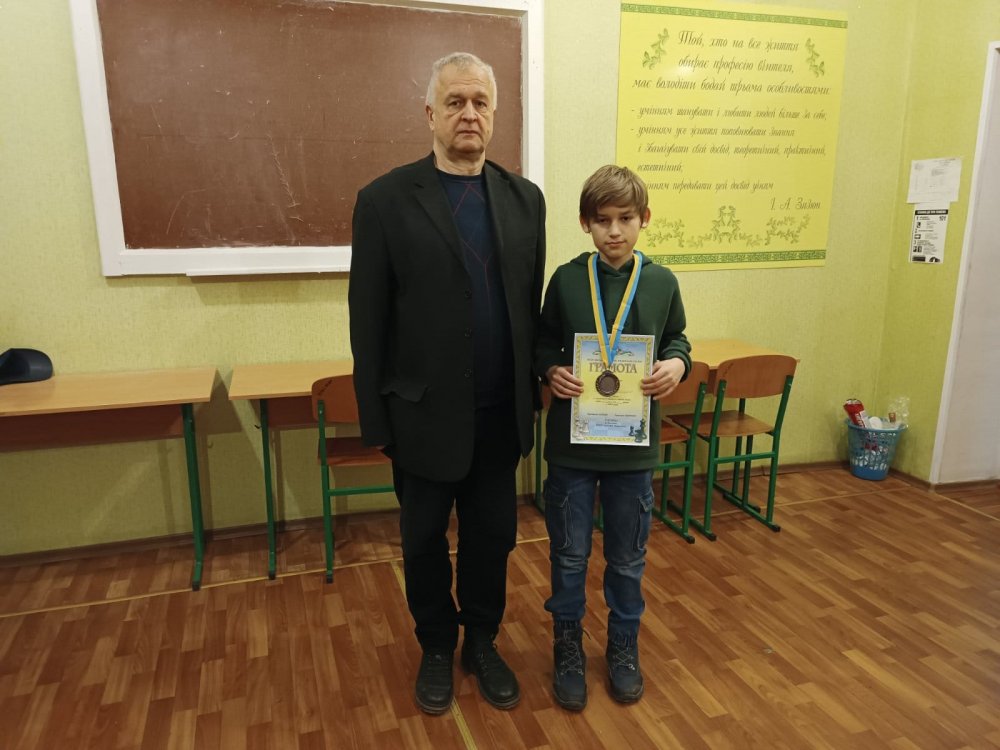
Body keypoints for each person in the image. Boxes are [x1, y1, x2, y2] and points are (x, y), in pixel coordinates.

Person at [348, 52, 546, 715]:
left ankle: (481, 641)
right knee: (423, 543)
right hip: (422, 421)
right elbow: (368, 320)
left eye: (480, 102)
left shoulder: (526, 201)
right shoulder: (383, 201)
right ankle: (436, 644)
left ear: (495, 114)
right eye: (455, 101)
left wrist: (535, 392)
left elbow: (527, 308)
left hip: (499, 417)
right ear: (430, 113)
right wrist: (377, 423)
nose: (469, 113)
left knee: (493, 541)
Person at [534, 165, 690, 710]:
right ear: (585, 223)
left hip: (632, 451)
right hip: (573, 449)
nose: (614, 231)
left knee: (627, 559)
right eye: (602, 220)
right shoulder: (566, 280)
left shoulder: (662, 282)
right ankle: (568, 646)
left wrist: (677, 364)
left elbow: (677, 339)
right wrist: (550, 370)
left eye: (626, 218)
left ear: (644, 219)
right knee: (569, 556)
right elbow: (543, 342)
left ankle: (623, 647)